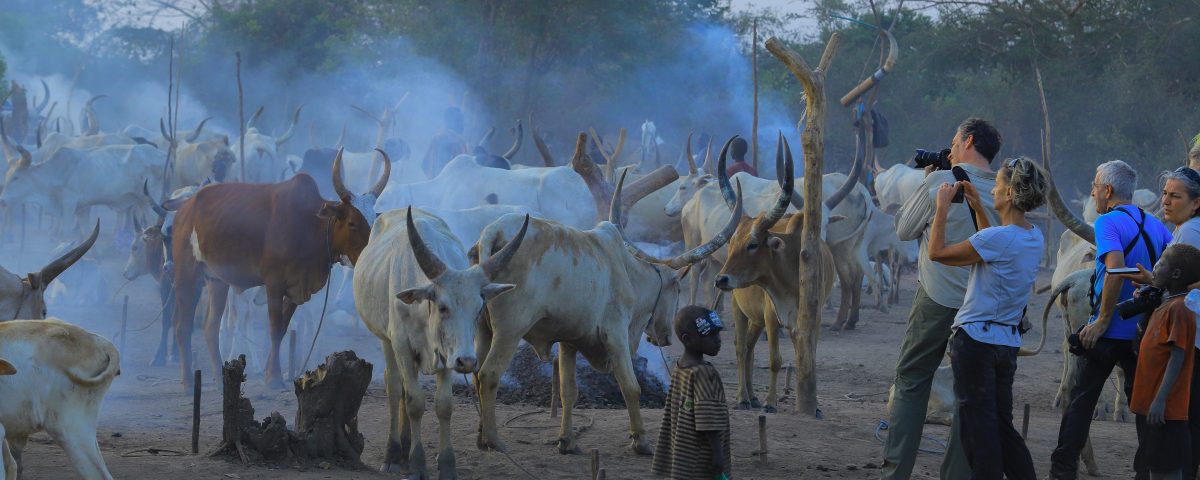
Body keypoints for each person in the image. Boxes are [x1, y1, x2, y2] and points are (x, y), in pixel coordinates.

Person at [883, 117, 1003, 480]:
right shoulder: (1005, 190)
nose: (949, 150)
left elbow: (904, 230)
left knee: (912, 379)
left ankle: (896, 472)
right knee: (970, 392)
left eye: (953, 142)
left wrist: (928, 181)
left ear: (968, 141)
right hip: (983, 307)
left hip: (937, 297)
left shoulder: (941, 181)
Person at [1049, 160, 1174, 479]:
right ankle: (1145, 473)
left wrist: (1103, 320)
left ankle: (1062, 472)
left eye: (1094, 186)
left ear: (1107, 190)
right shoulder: (1156, 226)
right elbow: (1170, 272)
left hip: (1108, 333)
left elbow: (1115, 269)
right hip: (1143, 334)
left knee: (1081, 404)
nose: (1092, 193)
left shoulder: (1107, 223)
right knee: (1143, 410)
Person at [927, 157, 1045, 479]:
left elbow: (936, 252)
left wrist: (941, 207)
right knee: (1003, 429)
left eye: (997, 185)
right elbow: (995, 245)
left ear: (1009, 193)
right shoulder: (1034, 237)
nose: (992, 189)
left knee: (979, 435)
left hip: (975, 344)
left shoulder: (997, 240)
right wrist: (978, 208)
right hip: (1005, 345)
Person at [1112, 166, 1200, 477]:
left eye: (1175, 196)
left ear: (1196, 203)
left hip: (1187, 340)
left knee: (1172, 431)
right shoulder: (1189, 229)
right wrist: (1155, 281)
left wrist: (1154, 282)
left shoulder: (1188, 233)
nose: (1165, 201)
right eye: (1165, 194)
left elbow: (1186, 278)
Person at [1129, 244, 1200, 479]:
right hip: (1154, 408)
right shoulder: (1166, 303)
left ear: (1176, 274)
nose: (1154, 268)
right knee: (1156, 468)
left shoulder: (1179, 309)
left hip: (1166, 411)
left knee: (1166, 471)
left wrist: (1160, 400)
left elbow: (1177, 356)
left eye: (1160, 263)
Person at [652, 305, 731, 480]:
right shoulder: (704, 373)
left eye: (718, 333)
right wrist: (717, 454)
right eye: (710, 335)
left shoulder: (680, 368)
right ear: (688, 340)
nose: (718, 340)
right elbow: (708, 419)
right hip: (703, 457)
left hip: (684, 456)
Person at [421, 106, 468, 179]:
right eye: (459, 120)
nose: (463, 124)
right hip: (449, 184)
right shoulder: (453, 140)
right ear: (451, 122)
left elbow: (424, 165)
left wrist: (432, 180)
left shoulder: (438, 137)